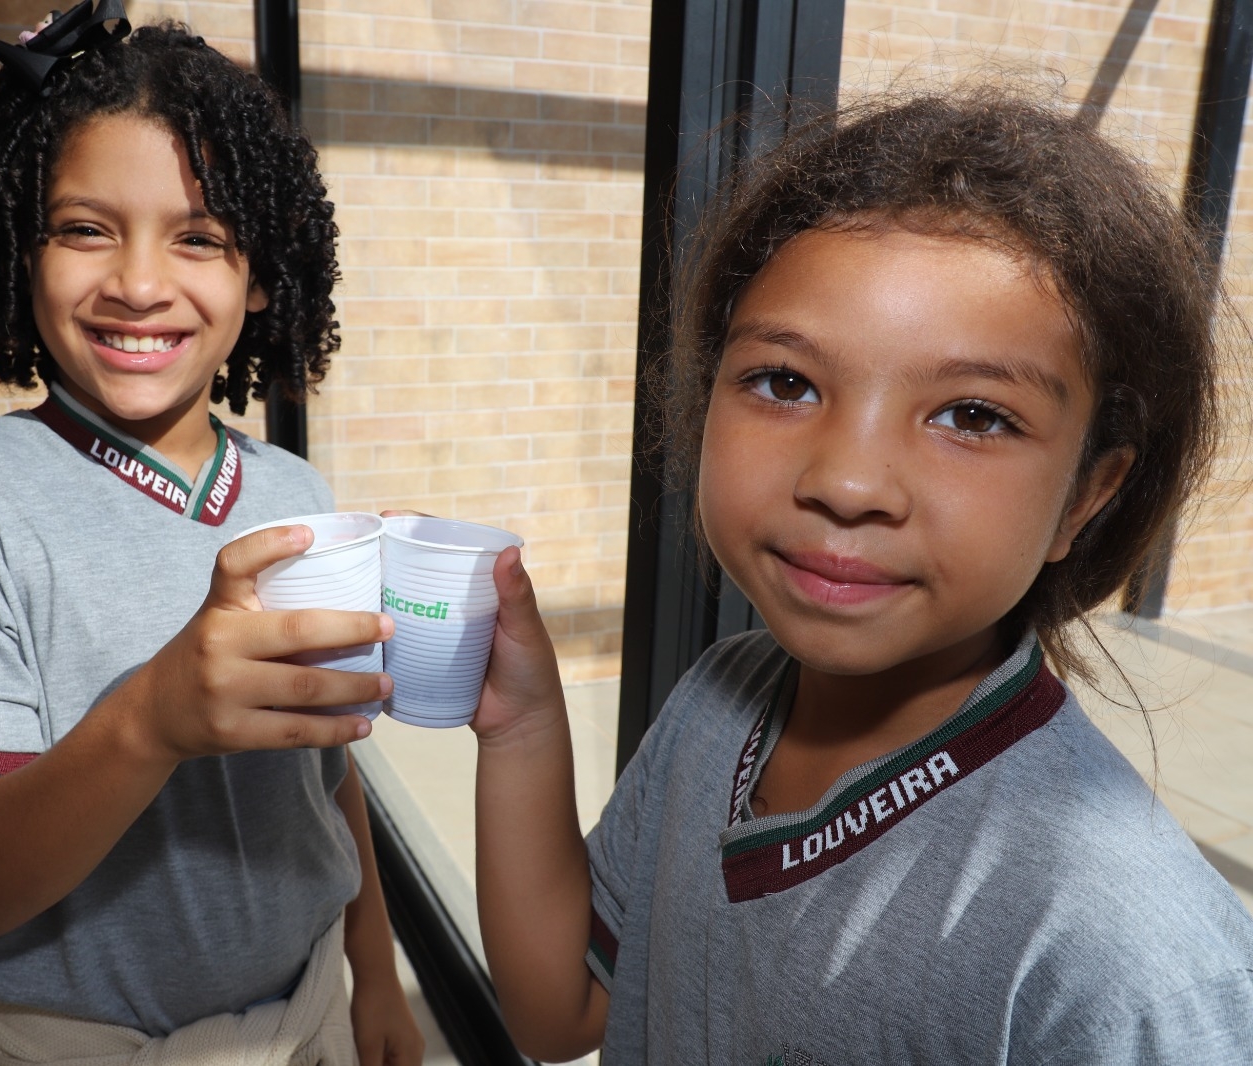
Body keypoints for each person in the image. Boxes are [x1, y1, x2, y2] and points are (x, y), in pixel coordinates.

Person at [470, 89, 1253, 1062]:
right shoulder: (715, 706)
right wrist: (521, 728)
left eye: (972, 416)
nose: (845, 481)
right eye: (785, 382)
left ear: (1085, 498)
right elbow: (559, 1012)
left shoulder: (1122, 952)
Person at [0, 6, 423, 1063]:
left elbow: (328, 774)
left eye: (198, 237)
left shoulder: (293, 490)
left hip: (305, 1019)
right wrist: (153, 717)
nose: (138, 282)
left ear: (261, 276)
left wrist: (374, 969)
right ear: (20, 249)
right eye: (85, 228)